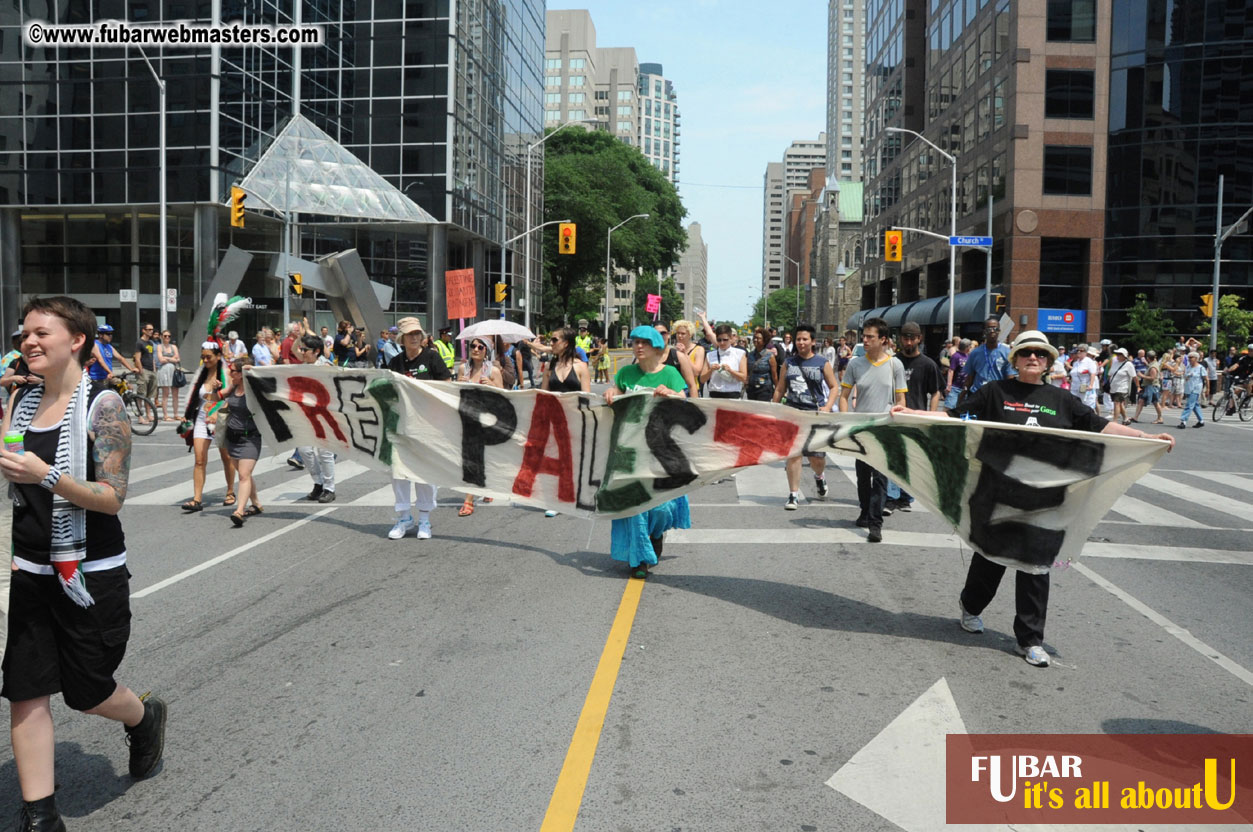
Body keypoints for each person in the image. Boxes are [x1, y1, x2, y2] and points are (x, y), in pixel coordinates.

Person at [893, 330, 1175, 667]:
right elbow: (956, 419)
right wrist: (914, 415)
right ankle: (971, 606)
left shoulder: (1063, 401)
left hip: (1044, 502)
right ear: (1015, 359)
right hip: (996, 496)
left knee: (1037, 567)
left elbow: (1101, 427)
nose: (1033, 358)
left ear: (1048, 363)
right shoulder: (994, 393)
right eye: (1026, 353)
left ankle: (1029, 640)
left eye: (1040, 355)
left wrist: (1145, 437)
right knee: (990, 561)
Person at [0, 296, 167, 831]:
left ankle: (145, 717)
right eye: (23, 334)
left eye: (40, 333)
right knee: (25, 689)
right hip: (31, 569)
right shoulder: (21, 403)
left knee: (87, 692)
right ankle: (40, 816)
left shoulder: (105, 404)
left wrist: (47, 475)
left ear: (76, 340)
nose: (28, 342)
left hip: (89, 575)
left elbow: (112, 495)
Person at [602, 326, 692, 578]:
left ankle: (655, 533)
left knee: (662, 508)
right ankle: (639, 559)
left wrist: (671, 394)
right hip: (629, 451)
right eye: (634, 342)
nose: (638, 347)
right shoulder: (626, 372)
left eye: (644, 342)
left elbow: (684, 401)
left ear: (656, 347)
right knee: (634, 505)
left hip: (661, 451)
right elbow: (617, 395)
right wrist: (611, 392)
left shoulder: (671, 373)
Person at [839, 317, 906, 543]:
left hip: (884, 428)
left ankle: (875, 523)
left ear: (883, 340)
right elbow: (844, 396)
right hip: (862, 427)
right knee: (862, 474)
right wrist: (847, 419)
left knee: (880, 477)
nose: (865, 340)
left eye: (870, 337)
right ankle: (865, 511)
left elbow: (901, 398)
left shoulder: (894, 364)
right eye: (864, 336)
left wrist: (899, 415)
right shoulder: (855, 364)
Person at [385, 318, 451, 540]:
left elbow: (447, 385)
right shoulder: (395, 362)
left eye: (417, 333)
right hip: (401, 425)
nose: (414, 337)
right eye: (409, 334)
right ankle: (403, 517)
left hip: (427, 425)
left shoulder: (431, 357)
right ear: (401, 338)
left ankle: (424, 519)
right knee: (398, 472)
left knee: (424, 472)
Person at [773, 323, 839, 510]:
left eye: (805, 339)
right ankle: (793, 494)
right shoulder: (788, 363)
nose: (801, 342)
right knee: (794, 454)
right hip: (793, 413)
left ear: (812, 341)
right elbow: (780, 388)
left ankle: (819, 476)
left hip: (815, 415)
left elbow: (834, 387)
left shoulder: (821, 362)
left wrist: (827, 406)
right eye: (798, 339)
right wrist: (774, 409)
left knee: (816, 458)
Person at [886, 321, 941, 513]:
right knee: (893, 458)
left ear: (919, 338)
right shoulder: (892, 362)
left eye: (912, 338)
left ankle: (906, 497)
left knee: (911, 459)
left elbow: (935, 392)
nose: (908, 341)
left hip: (916, 417)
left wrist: (931, 416)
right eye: (905, 337)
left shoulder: (928, 364)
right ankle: (891, 497)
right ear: (900, 339)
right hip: (894, 417)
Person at [180, 342, 237, 512]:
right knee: (199, 460)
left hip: (220, 419)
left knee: (226, 457)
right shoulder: (201, 374)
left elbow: (230, 398)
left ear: (218, 356)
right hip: (202, 420)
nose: (205, 360)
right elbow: (195, 397)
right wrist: (187, 414)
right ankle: (197, 499)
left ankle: (230, 491)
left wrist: (217, 408)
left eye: (208, 357)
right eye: (203, 357)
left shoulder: (226, 373)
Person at [457, 337, 504, 517]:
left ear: (486, 351)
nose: (475, 349)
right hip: (467, 418)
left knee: (474, 457)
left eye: (480, 347)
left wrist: (491, 384)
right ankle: (486, 488)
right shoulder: (463, 369)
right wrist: (457, 384)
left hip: (486, 420)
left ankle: (468, 499)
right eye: (473, 346)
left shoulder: (494, 370)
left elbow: (503, 397)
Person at [221, 356, 265, 526]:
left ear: (242, 374)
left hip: (250, 437)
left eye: (233, 371)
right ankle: (256, 504)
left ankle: (239, 511)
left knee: (244, 475)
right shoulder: (233, 387)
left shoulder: (254, 391)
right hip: (232, 438)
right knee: (245, 473)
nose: (229, 373)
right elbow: (216, 398)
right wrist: (214, 394)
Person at [294, 333, 338, 503]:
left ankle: (329, 487)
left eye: (305, 349)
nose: (302, 352)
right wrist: (300, 334)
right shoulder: (303, 366)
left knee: (325, 452)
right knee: (304, 450)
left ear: (316, 351)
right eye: (302, 349)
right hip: (305, 414)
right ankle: (318, 482)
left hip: (324, 414)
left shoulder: (325, 366)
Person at [962, 315, 1013, 393]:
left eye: (995, 329)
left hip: (997, 395)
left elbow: (1010, 379)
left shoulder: (1007, 352)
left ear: (999, 331)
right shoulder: (975, 353)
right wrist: (961, 398)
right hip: (978, 394)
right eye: (989, 329)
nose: (992, 331)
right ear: (984, 331)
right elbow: (969, 380)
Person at [701, 324, 748, 399]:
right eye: (719, 340)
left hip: (732, 394)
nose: (722, 343)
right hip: (715, 394)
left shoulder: (740, 354)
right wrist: (711, 370)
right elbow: (702, 379)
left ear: (731, 338)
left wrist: (731, 371)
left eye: (725, 340)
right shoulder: (710, 355)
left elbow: (744, 378)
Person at [542, 327, 591, 395]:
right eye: (550, 340)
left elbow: (586, 397)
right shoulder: (549, 366)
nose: (551, 343)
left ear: (566, 343)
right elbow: (543, 396)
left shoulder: (581, 366)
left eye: (554, 340)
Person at [131, 322, 158, 423]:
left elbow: (152, 358)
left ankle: (149, 415)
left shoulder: (150, 343)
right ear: (144, 330)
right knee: (141, 395)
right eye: (149, 330)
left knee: (149, 395)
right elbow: (137, 358)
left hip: (151, 370)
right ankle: (140, 417)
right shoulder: (139, 343)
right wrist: (141, 371)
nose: (151, 331)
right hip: (144, 370)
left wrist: (154, 370)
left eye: (152, 329)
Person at [671, 320, 707, 395]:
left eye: (683, 333)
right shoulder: (673, 350)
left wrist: (684, 355)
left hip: (691, 389)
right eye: (678, 333)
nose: (679, 336)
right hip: (676, 389)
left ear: (690, 334)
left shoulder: (699, 349)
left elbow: (696, 372)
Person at [155, 328, 182, 422]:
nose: (167, 338)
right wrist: (171, 358)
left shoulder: (174, 347)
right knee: (165, 394)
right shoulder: (159, 346)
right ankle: (165, 415)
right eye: (165, 336)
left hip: (174, 371)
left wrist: (166, 358)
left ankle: (176, 414)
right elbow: (160, 359)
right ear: (162, 337)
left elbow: (178, 359)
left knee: (175, 394)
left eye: (169, 336)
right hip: (164, 371)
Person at [1131, 350, 1163, 424]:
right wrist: (1146, 363)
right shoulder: (1153, 364)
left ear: (1148, 358)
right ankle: (1135, 417)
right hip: (1148, 386)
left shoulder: (1153, 367)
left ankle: (1160, 418)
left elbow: (1152, 377)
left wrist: (1142, 375)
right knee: (1141, 401)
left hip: (1152, 387)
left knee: (1155, 402)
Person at [746, 328, 776, 402]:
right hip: (751, 389)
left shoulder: (770, 356)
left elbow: (774, 375)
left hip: (765, 390)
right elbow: (747, 371)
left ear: (764, 341)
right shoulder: (750, 355)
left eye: (758, 338)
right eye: (754, 338)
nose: (755, 340)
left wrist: (777, 390)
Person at [1108, 347, 1137, 425]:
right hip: (1113, 387)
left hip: (1122, 387)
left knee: (1116, 403)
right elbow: (1110, 374)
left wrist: (1138, 386)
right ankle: (1125, 418)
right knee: (1120, 404)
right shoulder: (1115, 363)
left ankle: (1115, 421)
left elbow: (1134, 376)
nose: (1117, 356)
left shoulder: (1128, 364)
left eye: (1119, 354)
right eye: (1117, 354)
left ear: (1124, 356)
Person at [1178, 351, 1206, 428]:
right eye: (1189, 357)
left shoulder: (1200, 368)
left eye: (1191, 357)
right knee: (1195, 405)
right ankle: (1201, 421)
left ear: (1196, 358)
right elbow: (1185, 375)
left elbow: (1205, 378)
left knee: (1189, 405)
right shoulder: (1188, 367)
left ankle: (1183, 421)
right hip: (1189, 388)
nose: (1190, 359)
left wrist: (1208, 388)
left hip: (1196, 388)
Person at [1069, 345, 1100, 411]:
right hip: (1075, 387)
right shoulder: (1075, 363)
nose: (1079, 352)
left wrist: (1091, 385)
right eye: (1078, 350)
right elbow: (1073, 374)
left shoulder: (1089, 362)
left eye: (1081, 351)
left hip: (1085, 387)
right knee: (1075, 405)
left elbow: (1093, 373)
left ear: (1086, 352)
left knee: (1086, 406)